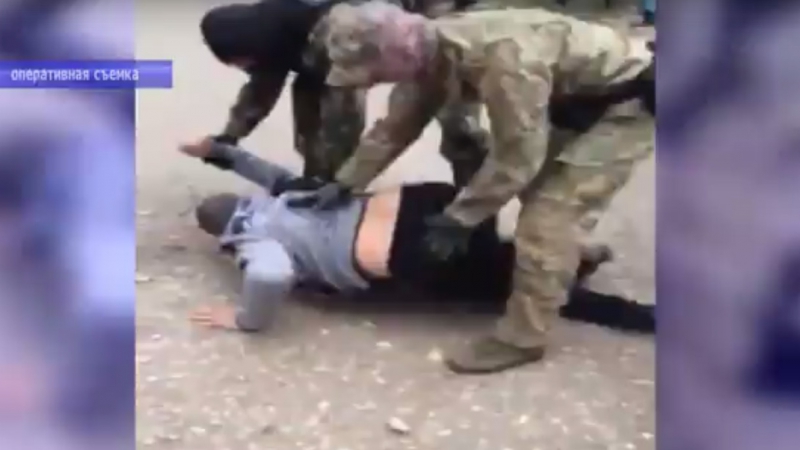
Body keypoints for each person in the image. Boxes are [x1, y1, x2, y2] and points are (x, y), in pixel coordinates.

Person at [285, 2, 655, 373]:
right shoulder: (432, 51)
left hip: (627, 103)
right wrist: (345, 182)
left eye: (375, 72)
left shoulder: (504, 61)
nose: (372, 82)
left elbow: (516, 160)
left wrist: (462, 216)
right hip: (577, 102)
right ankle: (564, 259)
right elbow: (395, 129)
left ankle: (523, 338)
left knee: (547, 219)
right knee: (541, 197)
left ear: (401, 53)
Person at [181, 141, 654, 336]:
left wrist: (245, 319)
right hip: (427, 201)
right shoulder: (281, 199)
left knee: (524, 288)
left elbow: (270, 275)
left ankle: (639, 315)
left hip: (410, 251)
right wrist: (219, 151)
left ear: (221, 234)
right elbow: (268, 172)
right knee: (501, 261)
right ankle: (574, 258)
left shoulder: (250, 240)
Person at [180, 0, 490, 185]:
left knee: (456, 117)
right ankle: (317, 178)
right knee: (309, 94)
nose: (241, 68)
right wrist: (230, 137)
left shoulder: (335, 34)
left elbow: (345, 115)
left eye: (239, 63)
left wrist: (339, 182)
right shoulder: (268, 32)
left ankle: (473, 207)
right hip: (334, 38)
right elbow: (262, 86)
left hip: (434, 16)